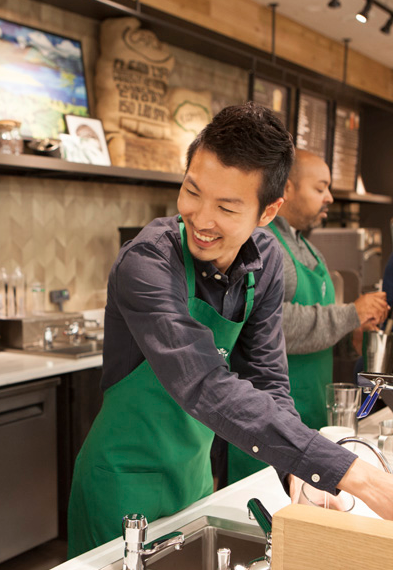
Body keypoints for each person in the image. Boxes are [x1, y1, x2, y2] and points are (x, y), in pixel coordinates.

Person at [66, 102, 393, 558]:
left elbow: (268, 379)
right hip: (121, 483)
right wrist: (352, 473)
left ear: (267, 212)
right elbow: (202, 381)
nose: (201, 219)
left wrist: (299, 468)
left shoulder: (267, 261)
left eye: (226, 206)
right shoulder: (146, 262)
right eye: (192, 192)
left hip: (195, 479)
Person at [227, 149, 389, 483]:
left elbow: (320, 334)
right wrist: (350, 314)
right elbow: (274, 324)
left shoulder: (308, 248)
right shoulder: (263, 244)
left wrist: (351, 336)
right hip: (268, 428)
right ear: (285, 188)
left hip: (312, 419)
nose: (329, 197)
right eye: (320, 188)